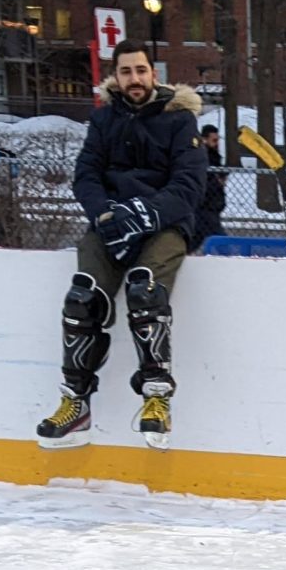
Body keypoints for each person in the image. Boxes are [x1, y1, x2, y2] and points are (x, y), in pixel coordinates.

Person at [38, 42, 208, 452]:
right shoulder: (103, 120)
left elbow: (189, 186)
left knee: (144, 290)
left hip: (164, 226)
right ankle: (76, 403)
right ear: (117, 76)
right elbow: (86, 175)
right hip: (110, 224)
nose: (135, 79)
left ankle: (156, 398)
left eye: (141, 70)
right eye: (127, 71)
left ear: (154, 74)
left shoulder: (180, 120)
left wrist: (144, 214)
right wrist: (104, 215)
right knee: (82, 299)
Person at [193, 125, 228, 250]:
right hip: (206, 205)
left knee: (196, 237)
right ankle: (228, 256)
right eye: (214, 140)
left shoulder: (214, 155)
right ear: (205, 139)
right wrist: (218, 181)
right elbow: (206, 180)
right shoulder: (203, 156)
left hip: (211, 205)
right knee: (220, 239)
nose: (217, 143)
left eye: (217, 140)